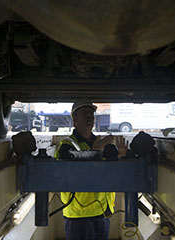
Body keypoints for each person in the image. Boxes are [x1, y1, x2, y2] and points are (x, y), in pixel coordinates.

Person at [54, 99, 127, 240]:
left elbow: (113, 172)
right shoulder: (67, 146)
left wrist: (121, 156)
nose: (89, 116)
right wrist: (95, 151)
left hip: (103, 212)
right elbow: (68, 175)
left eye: (92, 113)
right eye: (85, 113)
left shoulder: (105, 144)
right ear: (74, 119)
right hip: (80, 215)